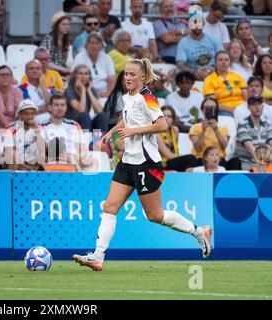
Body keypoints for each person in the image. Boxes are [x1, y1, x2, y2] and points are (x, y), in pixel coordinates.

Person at [72, 58, 213, 272]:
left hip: (146, 163)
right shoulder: (128, 97)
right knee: (110, 207)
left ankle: (200, 232)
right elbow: (130, 119)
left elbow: (162, 124)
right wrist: (112, 132)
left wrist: (133, 132)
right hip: (128, 161)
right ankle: (97, 257)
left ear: (143, 77)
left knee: (155, 216)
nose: (128, 78)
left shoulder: (147, 96)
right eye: (126, 74)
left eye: (132, 75)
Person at [41, 93, 91, 169]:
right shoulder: (42, 126)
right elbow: (41, 150)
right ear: (50, 107)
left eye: (62, 105)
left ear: (66, 107)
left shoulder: (74, 125)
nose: (60, 108)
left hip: (73, 160)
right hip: (53, 160)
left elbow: (82, 149)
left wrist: (76, 159)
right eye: (56, 105)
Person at [189, 97, 241, 169]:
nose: (210, 110)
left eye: (212, 108)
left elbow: (224, 146)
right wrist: (203, 130)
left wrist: (216, 129)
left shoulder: (223, 128)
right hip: (202, 160)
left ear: (216, 110)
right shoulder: (195, 127)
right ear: (202, 110)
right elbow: (198, 148)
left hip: (220, 160)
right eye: (207, 108)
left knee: (235, 161)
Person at [175, 13, 223, 81]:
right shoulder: (183, 42)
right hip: (193, 76)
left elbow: (222, 58)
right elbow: (180, 64)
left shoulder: (214, 39)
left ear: (203, 24)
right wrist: (194, 71)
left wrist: (213, 69)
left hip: (215, 74)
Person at [2, 99, 46, 171]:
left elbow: (42, 151)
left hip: (33, 164)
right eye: (27, 114)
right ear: (19, 115)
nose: (30, 117)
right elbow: (8, 151)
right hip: (16, 164)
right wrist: (26, 167)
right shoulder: (10, 128)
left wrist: (36, 131)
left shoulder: (38, 128)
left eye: (32, 114)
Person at [71, 32, 116, 98]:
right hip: (84, 93)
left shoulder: (106, 58)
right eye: (92, 43)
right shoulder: (80, 57)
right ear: (87, 45)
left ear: (102, 46)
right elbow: (75, 79)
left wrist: (108, 93)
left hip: (105, 93)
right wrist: (91, 94)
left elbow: (112, 78)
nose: (94, 46)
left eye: (97, 43)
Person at [233, 96, 272, 170]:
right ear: (248, 107)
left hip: (263, 163)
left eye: (259, 104)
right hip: (245, 163)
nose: (257, 107)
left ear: (263, 106)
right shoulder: (242, 124)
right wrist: (262, 166)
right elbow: (250, 147)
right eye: (254, 104)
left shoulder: (267, 124)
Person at [65, 64, 108, 131]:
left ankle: (98, 140)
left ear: (89, 76)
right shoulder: (69, 90)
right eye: (80, 73)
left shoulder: (91, 89)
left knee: (102, 116)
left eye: (86, 74)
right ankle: (85, 140)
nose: (83, 76)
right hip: (72, 124)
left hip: (85, 124)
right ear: (75, 76)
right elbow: (81, 110)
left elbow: (99, 110)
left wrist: (89, 92)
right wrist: (83, 90)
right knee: (84, 116)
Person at [203, 51, 248, 116]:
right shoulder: (209, 80)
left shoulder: (238, 77)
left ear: (229, 62)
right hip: (224, 111)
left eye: (226, 60)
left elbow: (246, 97)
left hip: (242, 108)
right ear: (215, 63)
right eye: (220, 60)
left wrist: (243, 109)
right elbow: (212, 103)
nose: (223, 62)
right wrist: (233, 110)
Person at [158, 105, 198, 171]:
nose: (166, 118)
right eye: (163, 116)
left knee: (196, 161)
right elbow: (168, 155)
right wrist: (183, 158)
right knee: (191, 159)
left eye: (169, 116)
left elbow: (174, 150)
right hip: (162, 164)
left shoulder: (175, 130)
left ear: (173, 119)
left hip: (172, 161)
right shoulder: (157, 133)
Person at [19, 59, 52, 124]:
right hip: (32, 125)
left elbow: (53, 106)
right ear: (26, 72)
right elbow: (27, 112)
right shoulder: (21, 89)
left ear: (42, 71)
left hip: (52, 124)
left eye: (38, 68)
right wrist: (48, 108)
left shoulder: (49, 89)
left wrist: (43, 87)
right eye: (31, 69)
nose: (35, 71)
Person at [41, 11, 72, 76]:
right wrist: (63, 69)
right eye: (63, 24)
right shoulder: (49, 39)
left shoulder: (66, 40)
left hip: (60, 71)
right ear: (56, 26)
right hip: (48, 72)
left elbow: (63, 61)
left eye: (68, 24)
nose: (67, 27)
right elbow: (46, 62)